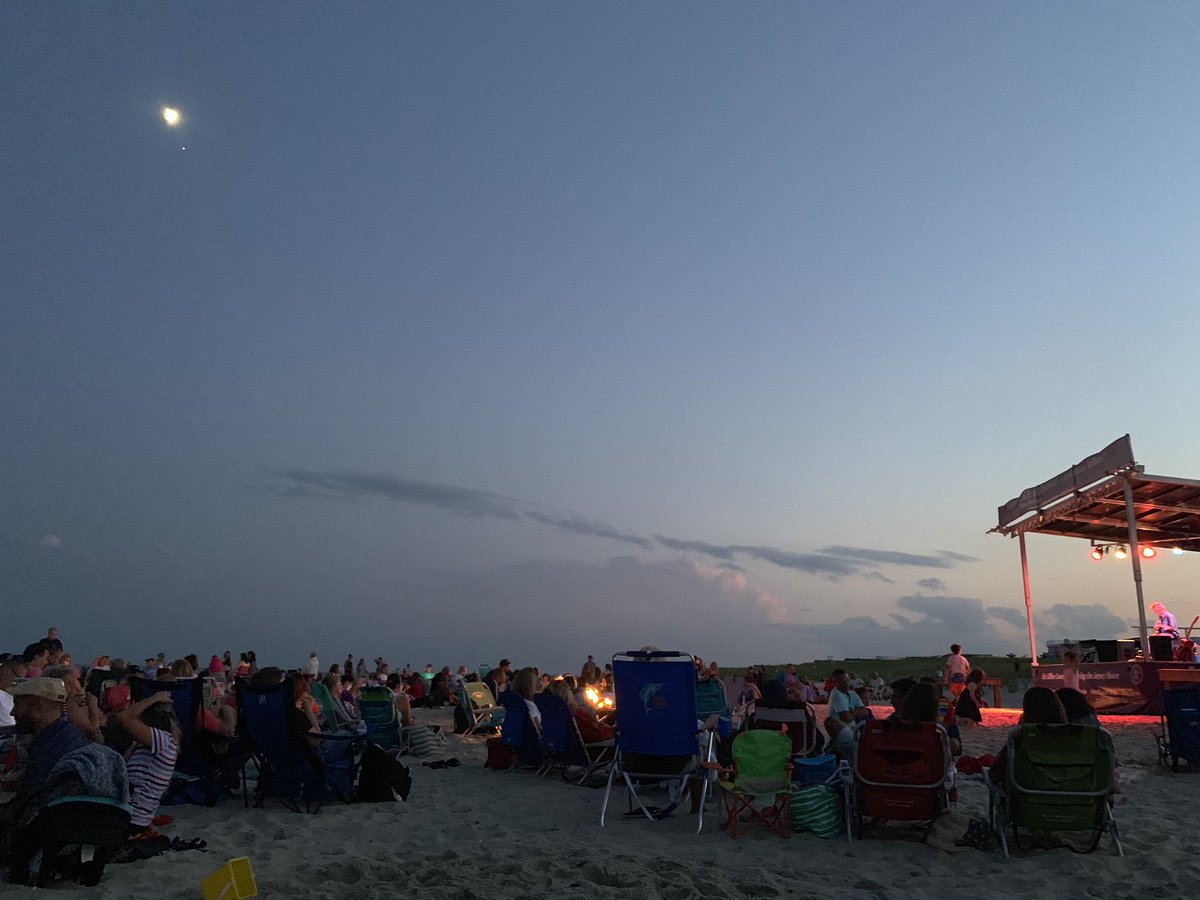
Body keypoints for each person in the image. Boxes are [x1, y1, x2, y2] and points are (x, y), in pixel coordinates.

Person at [117, 690, 180, 834]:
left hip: (130, 818)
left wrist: (154, 698)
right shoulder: (157, 744)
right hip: (136, 817)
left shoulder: (163, 741)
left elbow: (124, 717)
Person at [824, 668, 870, 757]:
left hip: (853, 732)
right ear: (835, 683)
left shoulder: (852, 693)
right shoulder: (837, 695)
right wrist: (857, 712)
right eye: (842, 682)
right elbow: (846, 717)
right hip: (842, 734)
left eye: (847, 681)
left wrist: (852, 712)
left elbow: (864, 712)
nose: (846, 684)